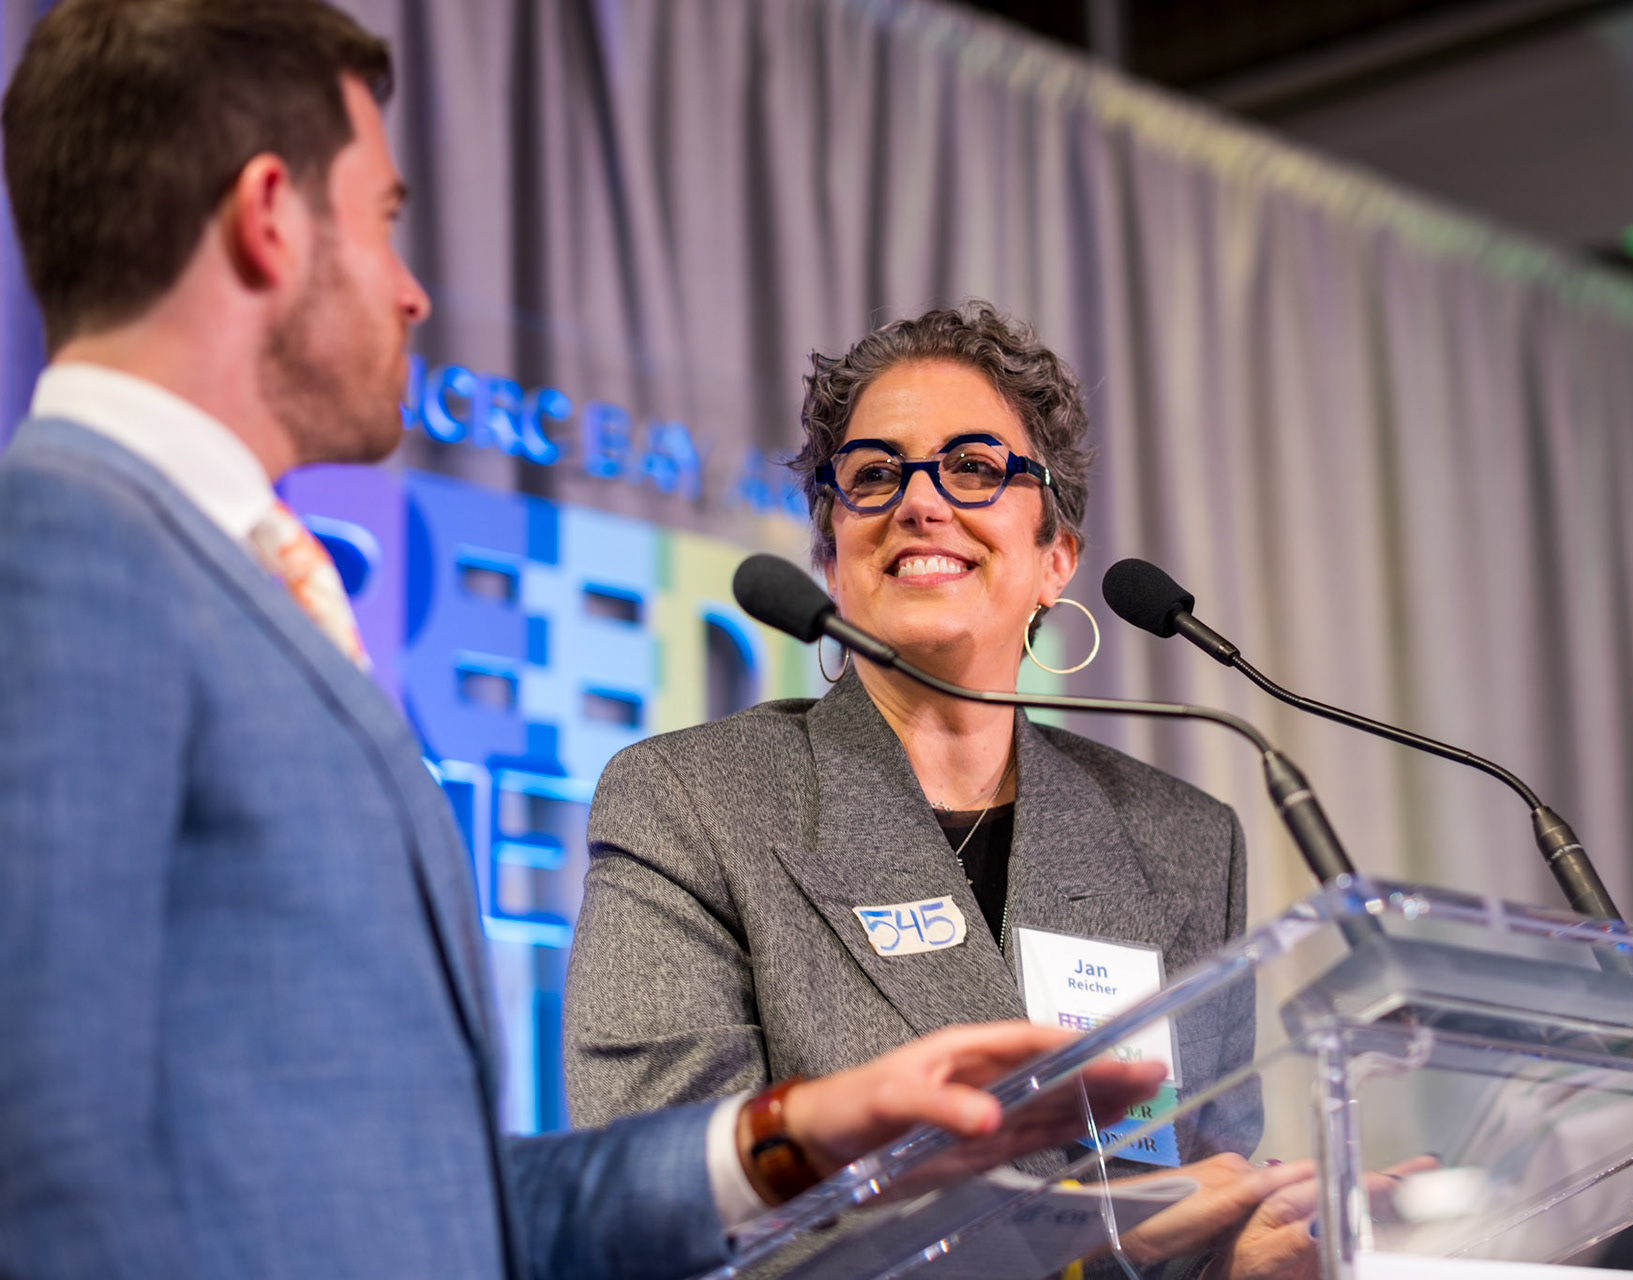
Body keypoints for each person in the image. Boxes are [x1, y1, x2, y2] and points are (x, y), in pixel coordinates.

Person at [0, 5, 1161, 1278]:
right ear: (269, 216)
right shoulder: (58, 553)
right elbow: (39, 1156)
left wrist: (795, 1137)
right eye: (384, 219)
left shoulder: (215, 578)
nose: (411, 288)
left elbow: (439, 1205)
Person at [565, 302, 1311, 1271]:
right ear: (831, 558)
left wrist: (1262, 1250)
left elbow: (1201, 1198)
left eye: (973, 467)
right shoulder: (693, 803)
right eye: (875, 474)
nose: (920, 502)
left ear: (1055, 558)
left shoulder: (1180, 841)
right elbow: (663, 1220)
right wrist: (1081, 1246)